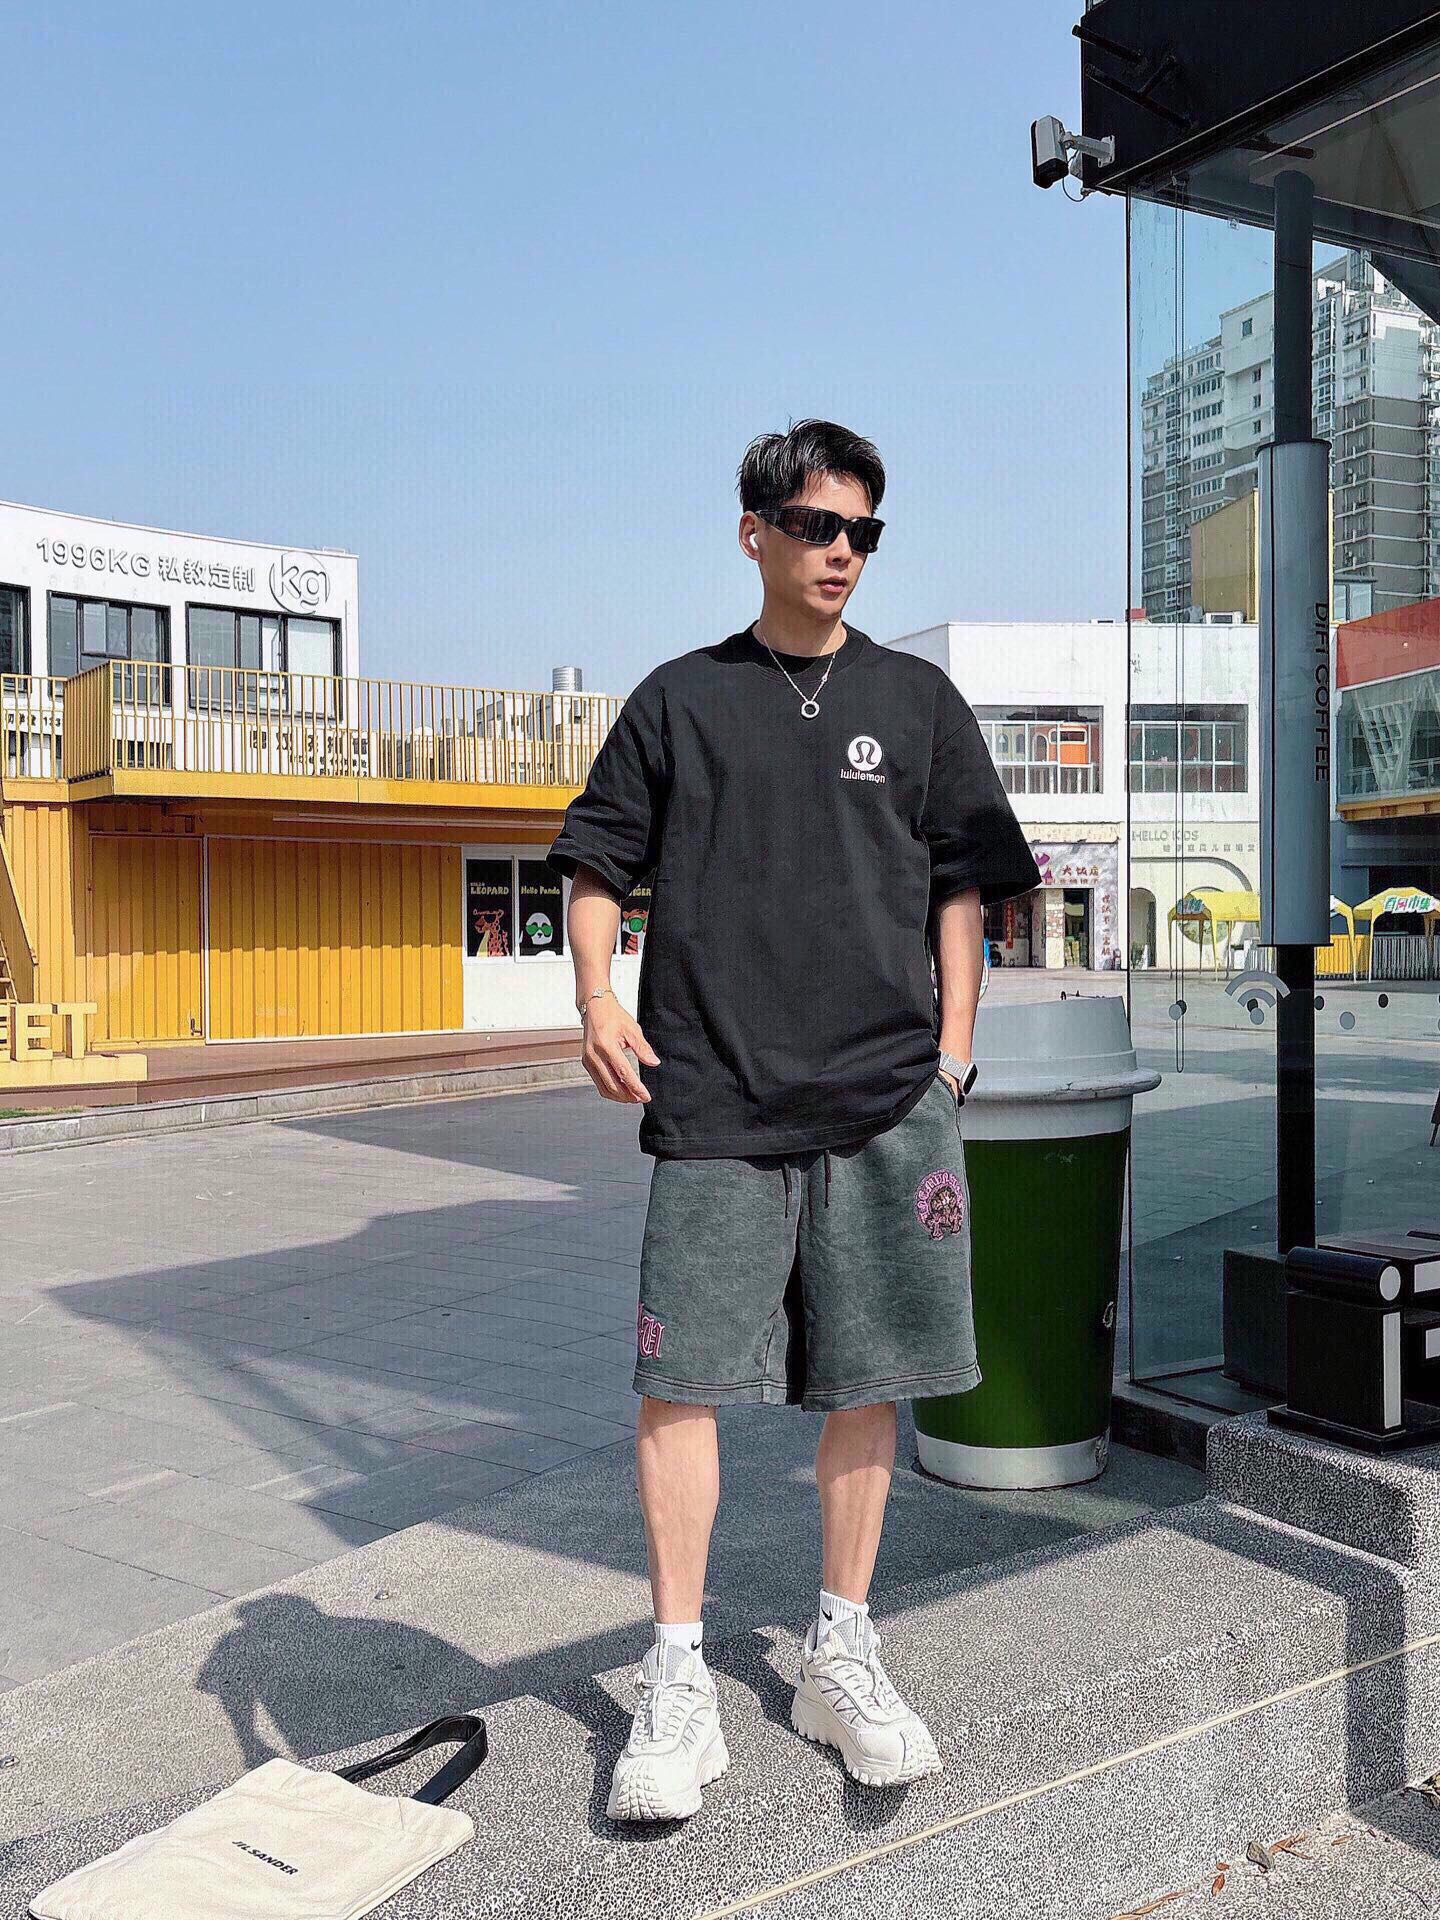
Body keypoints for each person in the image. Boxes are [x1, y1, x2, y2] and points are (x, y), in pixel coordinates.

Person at [546, 419, 1040, 1822]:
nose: (843, 552)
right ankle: (678, 1674)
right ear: (754, 531)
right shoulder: (680, 700)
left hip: (886, 1097)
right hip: (713, 1098)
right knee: (680, 1382)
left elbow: (961, 887)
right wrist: (594, 995)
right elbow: (596, 862)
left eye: (863, 532)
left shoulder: (917, 699)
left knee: (871, 1379)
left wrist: (952, 1056)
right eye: (819, 526)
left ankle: (841, 1651)